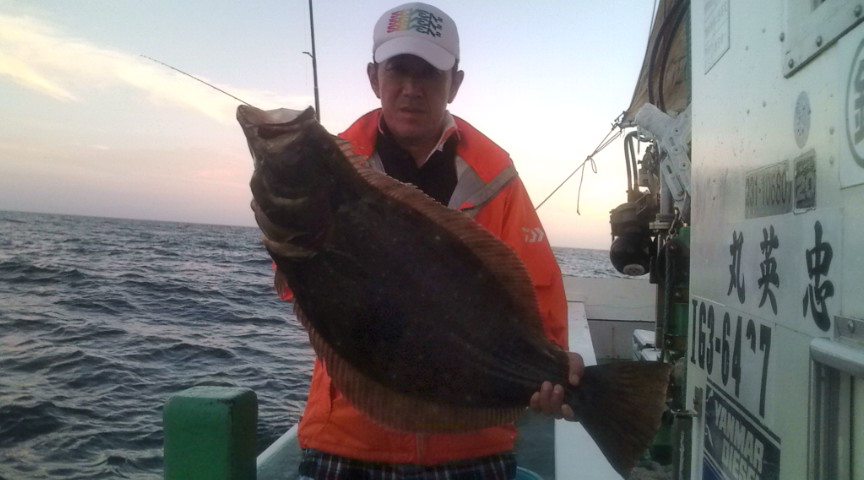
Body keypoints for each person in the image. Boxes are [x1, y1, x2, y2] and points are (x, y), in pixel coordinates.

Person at [293, 3, 584, 479]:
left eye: (429, 72)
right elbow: (299, 280)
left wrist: (553, 367)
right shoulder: (330, 170)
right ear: (374, 78)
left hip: (471, 448)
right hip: (347, 439)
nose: (412, 88)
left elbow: (539, 289)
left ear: (456, 83)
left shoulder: (494, 176)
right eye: (398, 70)